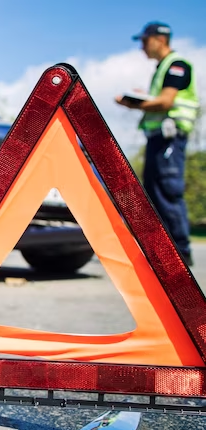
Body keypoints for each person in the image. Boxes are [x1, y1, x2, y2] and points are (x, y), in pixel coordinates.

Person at [116, 21, 200, 266]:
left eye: (144, 41)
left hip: (170, 138)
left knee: (167, 191)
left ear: (159, 40)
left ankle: (180, 253)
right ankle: (164, 252)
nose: (142, 46)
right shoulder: (162, 68)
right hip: (158, 139)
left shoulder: (176, 65)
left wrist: (135, 103)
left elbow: (165, 102)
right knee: (154, 191)